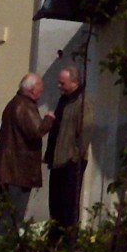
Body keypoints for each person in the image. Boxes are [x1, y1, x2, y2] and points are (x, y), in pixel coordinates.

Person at [0, 72, 51, 235]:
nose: (41, 92)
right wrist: (49, 119)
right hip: (17, 169)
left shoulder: (15, 104)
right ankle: (4, 248)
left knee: (6, 212)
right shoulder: (23, 106)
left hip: (11, 168)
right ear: (31, 89)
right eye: (40, 88)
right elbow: (36, 131)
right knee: (13, 214)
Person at [45, 65, 88, 242]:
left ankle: (69, 244)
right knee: (55, 205)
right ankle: (54, 242)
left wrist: (75, 156)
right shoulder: (64, 100)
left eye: (62, 83)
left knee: (69, 206)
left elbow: (85, 132)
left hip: (71, 161)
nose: (59, 86)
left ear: (75, 82)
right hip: (57, 160)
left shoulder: (83, 102)